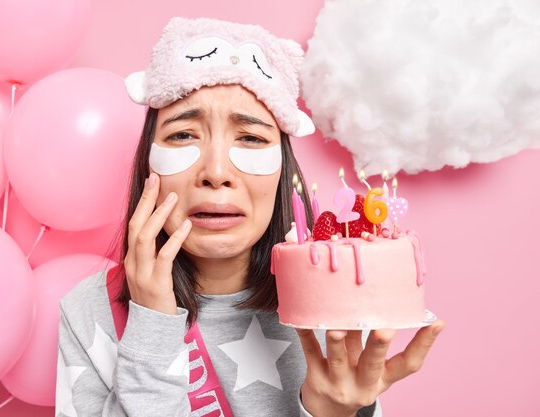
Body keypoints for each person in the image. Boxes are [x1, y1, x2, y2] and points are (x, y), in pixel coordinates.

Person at [55, 17, 444, 417]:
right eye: (183, 135)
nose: (216, 172)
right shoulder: (90, 312)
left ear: (282, 169)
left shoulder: (335, 298)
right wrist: (151, 328)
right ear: (147, 164)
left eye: (251, 138)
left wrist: (332, 413)